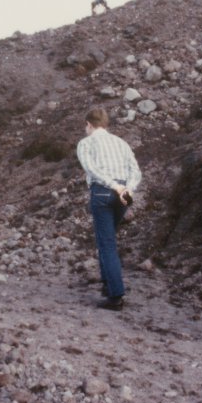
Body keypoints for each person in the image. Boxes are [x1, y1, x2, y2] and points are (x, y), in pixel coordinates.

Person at [76, 107, 142, 310]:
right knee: (108, 238)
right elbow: (135, 170)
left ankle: (115, 295)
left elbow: (91, 169)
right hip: (123, 196)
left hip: (103, 192)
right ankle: (107, 284)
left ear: (89, 124)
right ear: (105, 124)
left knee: (106, 243)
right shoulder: (121, 143)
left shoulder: (85, 143)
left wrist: (114, 186)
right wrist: (127, 189)